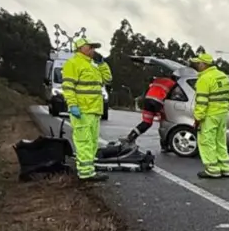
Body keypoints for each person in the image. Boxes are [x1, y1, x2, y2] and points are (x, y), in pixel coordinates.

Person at [61, 37, 113, 182]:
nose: (93, 50)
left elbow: (108, 79)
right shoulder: (72, 64)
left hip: (95, 110)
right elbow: (68, 87)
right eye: (90, 47)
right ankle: (85, 173)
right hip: (82, 110)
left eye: (94, 47)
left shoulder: (93, 66)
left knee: (92, 142)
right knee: (84, 141)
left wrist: (102, 64)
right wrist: (72, 105)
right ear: (81, 48)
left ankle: (89, 169)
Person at [190, 52, 229, 179]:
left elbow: (202, 101)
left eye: (198, 63)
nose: (197, 65)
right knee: (220, 141)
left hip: (210, 115)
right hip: (223, 114)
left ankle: (212, 169)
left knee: (207, 141)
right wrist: (225, 109)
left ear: (203, 64)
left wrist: (198, 118)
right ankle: (225, 168)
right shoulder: (223, 76)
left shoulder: (204, 79)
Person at [122, 72, 177, 145]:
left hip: (148, 100)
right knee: (165, 122)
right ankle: (165, 144)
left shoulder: (158, 80)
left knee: (146, 122)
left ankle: (131, 137)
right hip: (158, 102)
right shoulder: (173, 83)